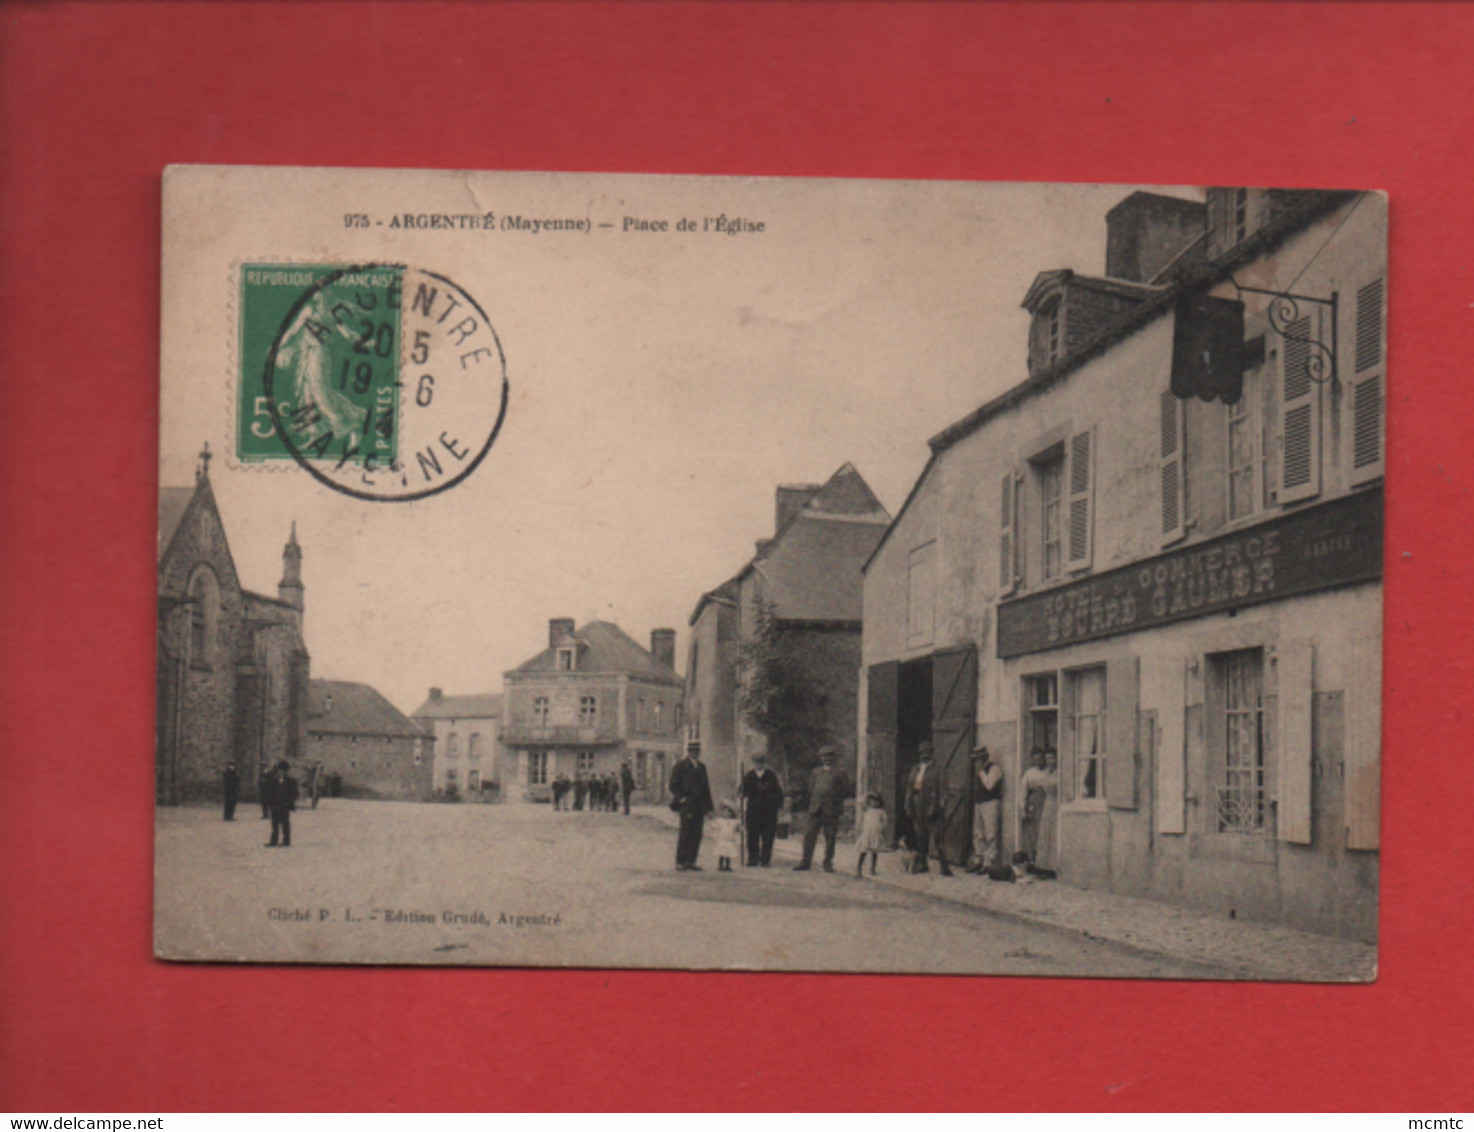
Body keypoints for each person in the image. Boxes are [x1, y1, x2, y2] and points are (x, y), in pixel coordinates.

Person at [794, 745, 850, 872]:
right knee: (809, 835)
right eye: (824, 756)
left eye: (829, 756)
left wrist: (835, 801)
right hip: (815, 809)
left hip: (831, 809)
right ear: (821, 758)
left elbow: (846, 790)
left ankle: (828, 862)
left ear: (834, 758)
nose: (827, 759)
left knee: (830, 836)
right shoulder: (816, 772)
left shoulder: (840, 773)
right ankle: (805, 861)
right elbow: (811, 788)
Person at [904, 740, 953, 876]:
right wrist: (908, 805)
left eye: (927, 753)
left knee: (937, 838)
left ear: (932, 754)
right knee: (920, 836)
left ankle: (944, 866)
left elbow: (944, 791)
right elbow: (909, 789)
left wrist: (941, 806)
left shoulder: (938, 770)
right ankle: (922, 864)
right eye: (922, 753)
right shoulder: (915, 769)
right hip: (917, 802)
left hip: (932, 805)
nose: (924, 756)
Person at [669, 740, 714, 871]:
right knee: (685, 832)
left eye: (697, 751)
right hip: (687, 804)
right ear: (688, 751)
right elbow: (673, 784)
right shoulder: (681, 765)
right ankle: (680, 862)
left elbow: (706, 788)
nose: (695, 753)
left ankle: (691, 861)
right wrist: (682, 798)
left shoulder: (701, 767)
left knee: (697, 833)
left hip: (699, 805)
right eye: (692, 751)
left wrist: (709, 808)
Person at [741, 753, 784, 867]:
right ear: (754, 763)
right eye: (756, 762)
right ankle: (753, 858)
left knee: (768, 835)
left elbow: (778, 792)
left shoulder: (771, 776)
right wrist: (741, 791)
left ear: (763, 763)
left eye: (760, 762)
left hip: (768, 811)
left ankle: (765, 859)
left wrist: (778, 806)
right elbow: (743, 792)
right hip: (753, 810)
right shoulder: (749, 776)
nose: (758, 764)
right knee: (752, 835)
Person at [967, 745, 1003, 874]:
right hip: (979, 803)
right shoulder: (977, 770)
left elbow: (989, 785)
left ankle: (989, 862)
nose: (976, 762)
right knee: (978, 833)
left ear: (984, 758)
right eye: (975, 759)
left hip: (990, 803)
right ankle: (979, 860)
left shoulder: (994, 769)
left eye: (978, 759)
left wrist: (982, 773)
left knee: (991, 833)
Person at [1033, 748, 1060, 877]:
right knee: (1045, 834)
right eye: (1048, 758)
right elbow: (1040, 786)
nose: (1050, 761)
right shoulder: (1046, 773)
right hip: (1047, 804)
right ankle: (1043, 865)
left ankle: (1053, 867)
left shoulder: (1060, 773)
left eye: (1052, 758)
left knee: (1054, 834)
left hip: (1056, 804)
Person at [1020, 747, 1048, 867]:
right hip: (1033, 802)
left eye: (1040, 759)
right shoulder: (1029, 773)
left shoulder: (1048, 771)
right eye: (1035, 760)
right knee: (1032, 831)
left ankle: (1044, 861)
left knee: (1044, 830)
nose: (1038, 762)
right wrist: (1023, 806)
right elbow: (1023, 790)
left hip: (1046, 801)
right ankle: (1032, 859)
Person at [265, 759, 298, 848]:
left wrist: (289, 802)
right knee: (274, 823)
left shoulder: (291, 781)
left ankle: (286, 840)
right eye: (280, 770)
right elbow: (271, 792)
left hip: (284, 805)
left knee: (284, 823)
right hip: (275, 804)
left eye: (283, 770)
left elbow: (294, 793)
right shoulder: (275, 780)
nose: (281, 772)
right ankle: (273, 840)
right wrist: (270, 803)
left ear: (286, 771)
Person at [854, 791, 888, 877]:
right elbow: (859, 801)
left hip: (875, 833)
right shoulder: (867, 809)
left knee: (874, 851)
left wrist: (880, 827)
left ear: (879, 802)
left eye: (876, 801)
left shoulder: (881, 812)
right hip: (867, 833)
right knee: (863, 851)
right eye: (872, 801)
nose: (874, 803)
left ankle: (873, 868)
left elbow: (885, 821)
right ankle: (859, 868)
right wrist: (868, 794)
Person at [709, 801, 741, 872]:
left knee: (728, 853)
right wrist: (713, 822)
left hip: (729, 840)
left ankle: (727, 865)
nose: (725, 814)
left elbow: (738, 827)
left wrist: (739, 827)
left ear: (731, 814)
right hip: (722, 840)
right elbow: (714, 826)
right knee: (722, 853)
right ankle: (720, 865)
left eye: (727, 812)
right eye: (724, 812)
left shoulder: (733, 822)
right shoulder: (720, 821)